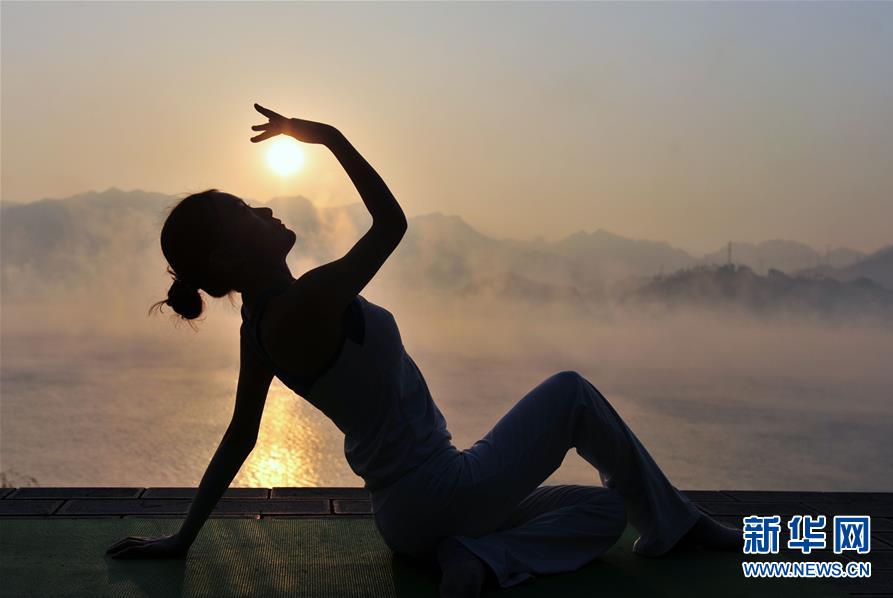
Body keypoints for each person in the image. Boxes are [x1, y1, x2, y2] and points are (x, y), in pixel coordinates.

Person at [106, 103, 740, 597]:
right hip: (442, 490)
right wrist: (325, 136)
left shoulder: (259, 327)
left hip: (407, 517)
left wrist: (181, 539)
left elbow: (240, 436)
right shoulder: (312, 299)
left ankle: (484, 556)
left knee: (604, 510)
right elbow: (392, 224)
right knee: (572, 392)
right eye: (246, 210)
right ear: (225, 255)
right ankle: (678, 527)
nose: (266, 206)